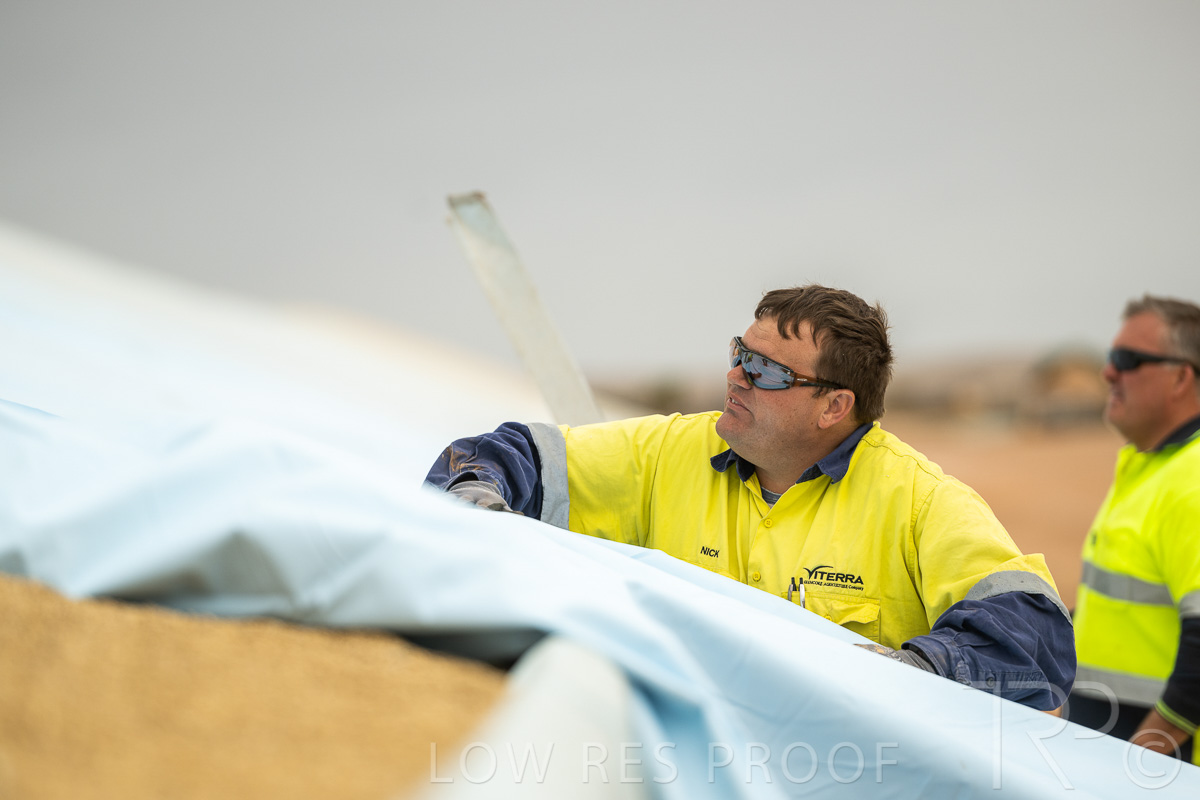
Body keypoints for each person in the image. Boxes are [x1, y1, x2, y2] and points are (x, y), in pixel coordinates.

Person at [426, 285, 1075, 709]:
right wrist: (476, 503)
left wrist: (918, 672)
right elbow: (504, 455)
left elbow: (1036, 640)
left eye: (765, 370)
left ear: (833, 406)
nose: (736, 375)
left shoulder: (919, 502)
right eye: (740, 353)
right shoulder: (668, 452)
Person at [1066, 295, 1200, 763]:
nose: (1108, 373)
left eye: (1127, 360)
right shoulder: (1150, 468)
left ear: (1181, 377)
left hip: (1162, 772)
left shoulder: (1192, 479)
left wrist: (1141, 761)